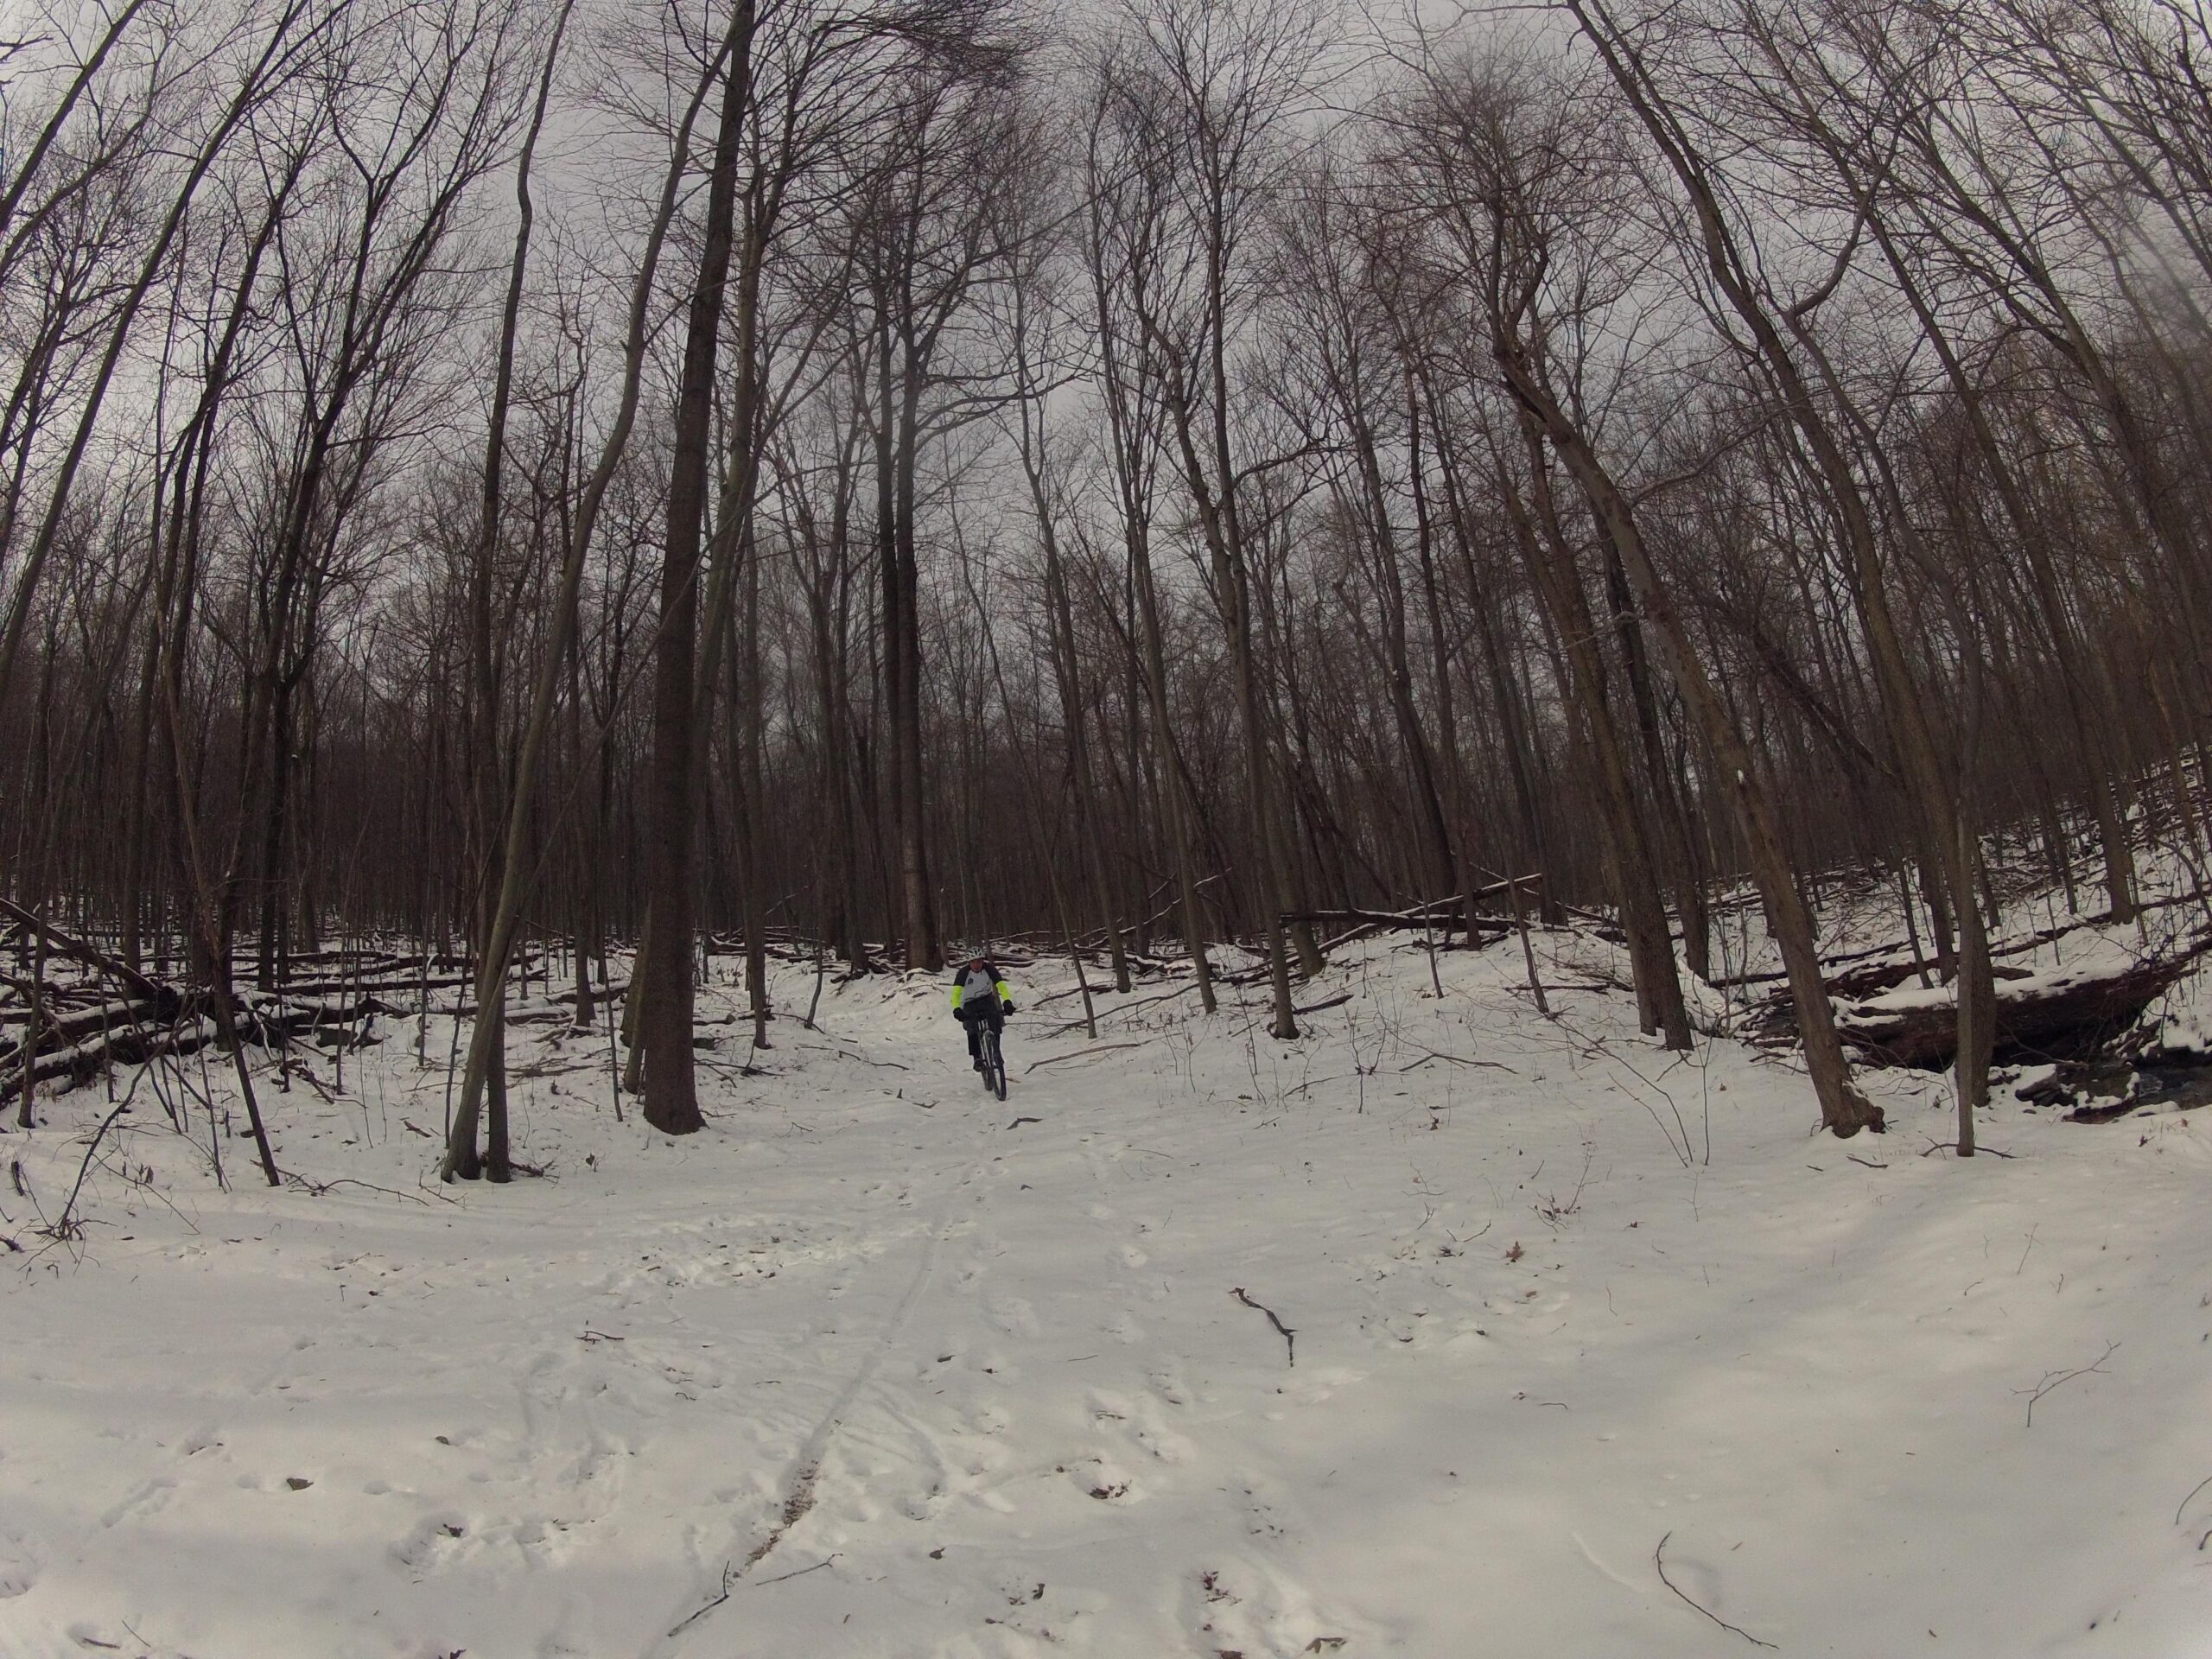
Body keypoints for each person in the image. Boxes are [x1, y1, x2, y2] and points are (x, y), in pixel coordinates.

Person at [950, 955, 1014, 1071]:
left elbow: (1002, 987)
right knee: (972, 1027)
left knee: (995, 1019)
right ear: (969, 963)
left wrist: (1007, 1002)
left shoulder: (989, 969)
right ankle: (977, 1058)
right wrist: (957, 1009)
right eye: (973, 962)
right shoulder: (963, 973)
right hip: (969, 1002)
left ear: (982, 961)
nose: (976, 965)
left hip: (986, 999)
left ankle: (996, 1052)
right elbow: (955, 995)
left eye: (979, 962)